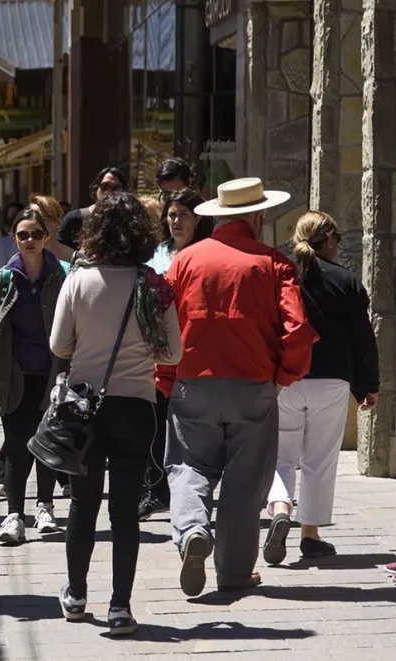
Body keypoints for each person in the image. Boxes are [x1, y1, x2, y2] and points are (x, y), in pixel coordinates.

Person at [160, 177, 317, 596]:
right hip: (254, 384)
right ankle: (232, 573)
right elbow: (297, 330)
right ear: (259, 214)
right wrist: (284, 377)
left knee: (188, 466)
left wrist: (166, 378)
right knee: (246, 481)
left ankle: (193, 528)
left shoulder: (185, 260)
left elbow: (165, 326)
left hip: (194, 381)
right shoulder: (273, 263)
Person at [50, 193, 182, 636]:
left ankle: (75, 592)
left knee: (82, 503)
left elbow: (58, 345)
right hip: (136, 405)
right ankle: (121, 606)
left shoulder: (78, 281)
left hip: (84, 407)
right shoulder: (153, 284)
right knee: (125, 511)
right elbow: (173, 351)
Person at [263, 211, 379, 564]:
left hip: (287, 377)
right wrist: (367, 386)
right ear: (328, 241)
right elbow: (363, 338)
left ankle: (280, 508)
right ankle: (310, 534)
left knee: (281, 455)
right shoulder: (346, 281)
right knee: (319, 460)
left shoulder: (280, 275)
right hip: (332, 379)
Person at [0, 207, 69, 545]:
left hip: (53, 375)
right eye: (22, 235)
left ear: (46, 237)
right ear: (14, 238)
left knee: (48, 444)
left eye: (36, 234)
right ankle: (15, 513)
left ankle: (45, 507)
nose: (30, 241)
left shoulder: (63, 275)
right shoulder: (2, 279)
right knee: (17, 445)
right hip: (13, 375)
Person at [139, 188, 213, 521]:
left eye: (184, 214)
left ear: (199, 218)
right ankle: (157, 491)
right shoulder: (156, 255)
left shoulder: (208, 255)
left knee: (193, 433)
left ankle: (196, 494)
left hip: (199, 356)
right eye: (171, 215)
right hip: (159, 356)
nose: (176, 221)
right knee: (154, 431)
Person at [57, 167, 128, 250]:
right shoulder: (74, 218)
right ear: (96, 188)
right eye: (105, 186)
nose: (109, 191)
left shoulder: (129, 220)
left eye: (115, 188)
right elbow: (59, 252)